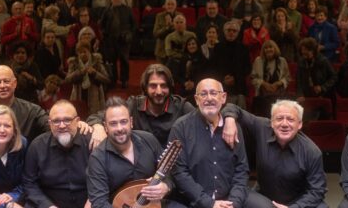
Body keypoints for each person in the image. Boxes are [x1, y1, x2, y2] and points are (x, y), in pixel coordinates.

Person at [170, 78, 277, 208]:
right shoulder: (181, 127)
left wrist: (234, 203)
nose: (209, 98)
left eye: (214, 93)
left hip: (228, 198)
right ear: (196, 99)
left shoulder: (233, 128)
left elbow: (241, 170)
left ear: (223, 97)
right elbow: (179, 172)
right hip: (199, 207)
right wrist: (208, 205)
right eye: (203, 94)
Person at [228, 100, 330, 208]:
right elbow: (233, 108)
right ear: (271, 121)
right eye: (279, 118)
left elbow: (318, 191)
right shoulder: (262, 127)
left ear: (300, 124)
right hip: (266, 199)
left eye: (290, 119)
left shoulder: (312, 152)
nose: (284, 124)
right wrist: (231, 121)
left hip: (298, 199)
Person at [87, 63, 239, 147]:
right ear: (145, 88)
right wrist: (99, 126)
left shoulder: (181, 106)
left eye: (163, 86)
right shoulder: (133, 104)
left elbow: (211, 112)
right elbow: (98, 116)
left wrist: (230, 119)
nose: (158, 91)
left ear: (170, 87)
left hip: (175, 172)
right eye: (153, 86)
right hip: (140, 169)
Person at [23, 100, 94, 208]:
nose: (62, 125)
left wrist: (97, 197)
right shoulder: (37, 146)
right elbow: (29, 183)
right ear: (49, 123)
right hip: (56, 199)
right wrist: (46, 206)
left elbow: (109, 174)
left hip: (90, 197)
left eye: (67, 120)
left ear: (77, 121)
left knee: (115, 204)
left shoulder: (92, 141)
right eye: (56, 121)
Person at [100, 0, 135, 88]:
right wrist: (104, 34)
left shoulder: (127, 10)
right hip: (110, 40)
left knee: (124, 61)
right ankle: (113, 79)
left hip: (123, 40)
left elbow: (133, 25)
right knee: (112, 61)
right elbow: (101, 24)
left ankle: (124, 80)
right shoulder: (107, 10)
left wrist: (129, 35)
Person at [251, 39, 290, 118]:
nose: (268, 49)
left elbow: (287, 78)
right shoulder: (258, 61)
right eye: (266, 48)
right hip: (262, 96)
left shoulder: (282, 61)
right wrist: (263, 83)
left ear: (275, 48)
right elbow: (253, 78)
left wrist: (279, 83)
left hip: (278, 95)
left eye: (270, 47)